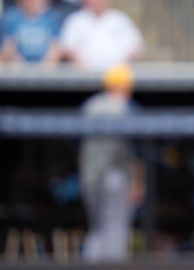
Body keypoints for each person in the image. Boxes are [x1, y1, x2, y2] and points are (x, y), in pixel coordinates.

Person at [79, 64, 145, 262]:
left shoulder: (89, 105)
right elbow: (134, 151)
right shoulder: (128, 107)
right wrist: (138, 182)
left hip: (89, 175)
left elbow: (78, 148)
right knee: (116, 229)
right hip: (116, 176)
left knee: (97, 228)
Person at [60, 0, 143, 71]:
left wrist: (123, 67)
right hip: (84, 77)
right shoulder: (75, 20)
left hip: (117, 78)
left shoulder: (120, 18)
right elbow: (67, 48)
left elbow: (136, 48)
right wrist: (80, 65)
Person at [1, 0, 62, 65]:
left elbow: (55, 47)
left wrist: (44, 69)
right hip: (18, 67)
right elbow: (8, 47)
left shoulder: (52, 18)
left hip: (46, 67)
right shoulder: (11, 18)